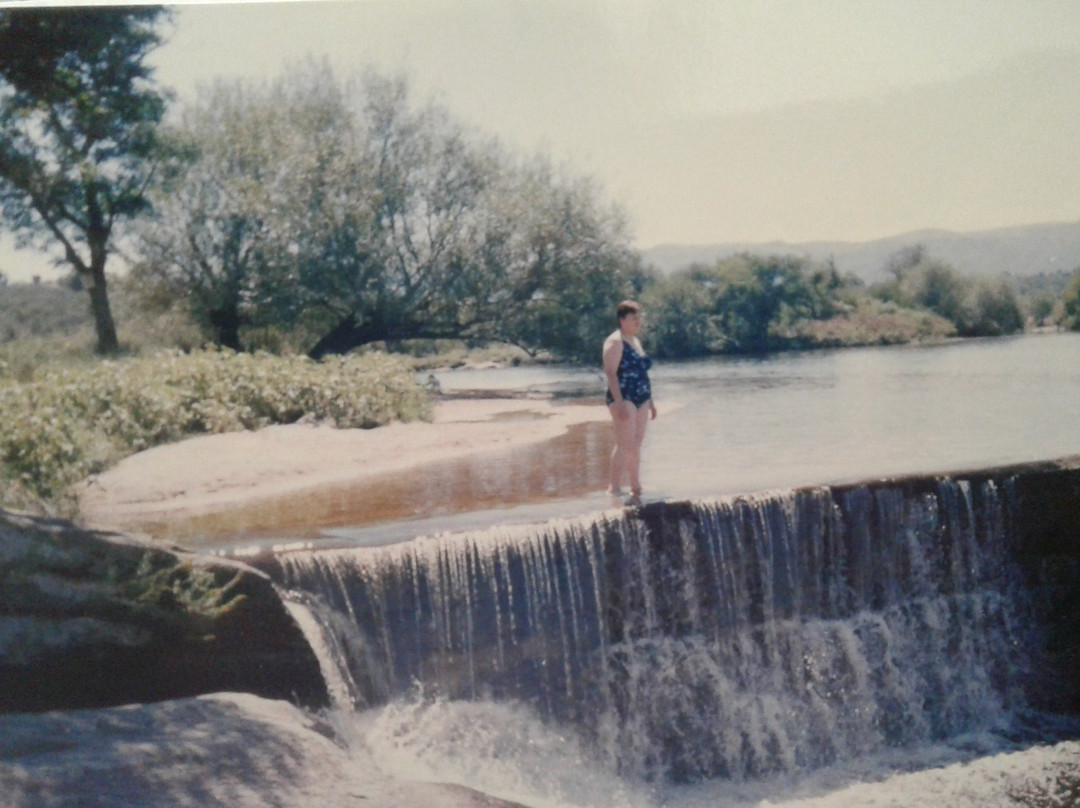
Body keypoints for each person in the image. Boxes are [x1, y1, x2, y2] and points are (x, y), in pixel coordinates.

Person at [603, 300, 657, 504]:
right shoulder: (614, 342)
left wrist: (651, 401)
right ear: (622, 319)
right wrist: (619, 402)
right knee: (626, 443)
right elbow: (610, 373)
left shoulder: (635, 340)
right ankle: (620, 487)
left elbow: (643, 372)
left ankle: (631, 486)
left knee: (635, 443)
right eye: (634, 318)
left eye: (639, 318)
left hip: (642, 397)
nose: (638, 322)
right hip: (624, 397)